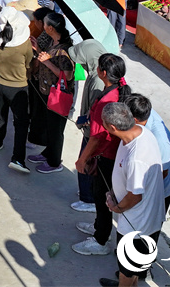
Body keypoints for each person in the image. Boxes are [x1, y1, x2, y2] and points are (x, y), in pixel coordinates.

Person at [72, 54, 132, 256]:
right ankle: (99, 225)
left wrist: (82, 159)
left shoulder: (107, 100)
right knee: (103, 195)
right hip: (115, 153)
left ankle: (100, 239)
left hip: (106, 156)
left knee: (102, 196)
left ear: (103, 73)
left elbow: (97, 138)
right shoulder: (118, 90)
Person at [101, 102, 165, 287]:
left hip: (136, 224)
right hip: (140, 219)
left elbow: (136, 195)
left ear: (112, 127)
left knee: (127, 269)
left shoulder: (136, 158)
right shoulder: (140, 132)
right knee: (133, 267)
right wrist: (114, 191)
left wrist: (116, 207)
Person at [27, 13, 74, 175]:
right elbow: (47, 57)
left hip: (57, 95)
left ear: (51, 28)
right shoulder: (53, 42)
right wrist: (38, 50)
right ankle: (48, 153)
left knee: (55, 129)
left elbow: (67, 75)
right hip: (47, 91)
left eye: (45, 24)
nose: (42, 25)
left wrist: (46, 62)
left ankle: (55, 162)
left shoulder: (65, 50)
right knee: (49, 126)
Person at [0, 7, 32, 173]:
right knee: (21, 123)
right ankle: (18, 158)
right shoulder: (23, 44)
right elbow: (29, 63)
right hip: (18, 87)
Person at [67, 39, 108, 214]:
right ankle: (86, 194)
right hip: (88, 130)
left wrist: (84, 119)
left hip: (93, 133)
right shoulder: (94, 75)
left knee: (85, 163)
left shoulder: (98, 81)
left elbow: (96, 112)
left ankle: (88, 199)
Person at [126, 94, 170, 211]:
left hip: (157, 194)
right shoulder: (143, 113)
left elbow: (162, 174)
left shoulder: (160, 142)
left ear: (134, 119)